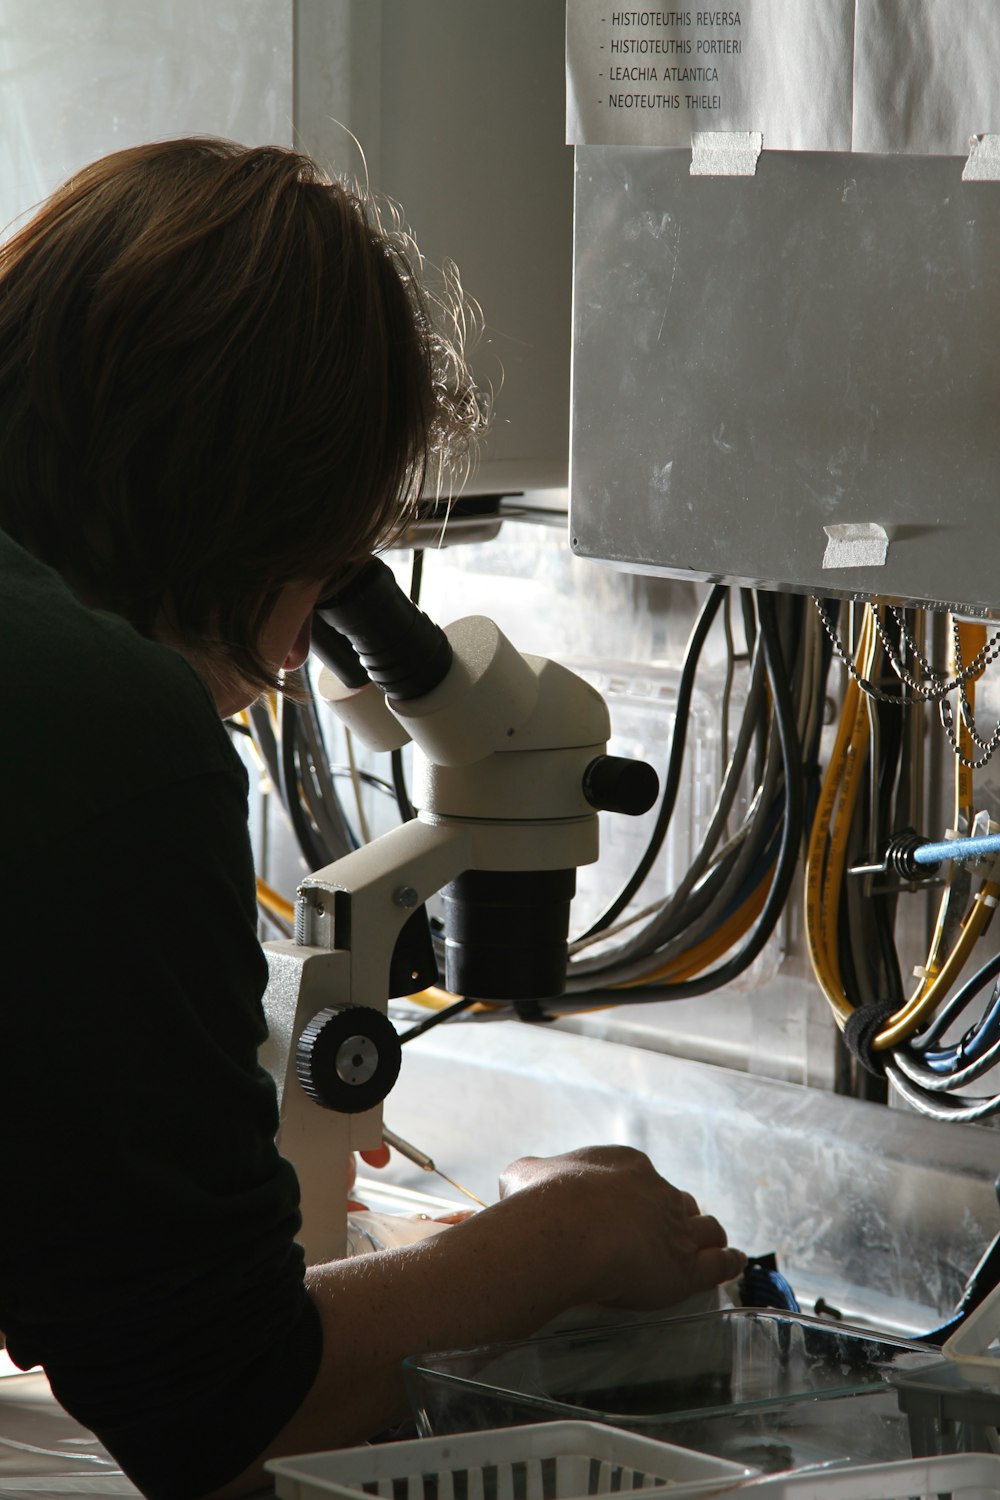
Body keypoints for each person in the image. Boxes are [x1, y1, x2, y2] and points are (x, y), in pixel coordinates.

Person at [0, 137, 746, 1500]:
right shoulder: (96, 723)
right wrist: (559, 1241)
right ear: (248, 507)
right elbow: (221, 1403)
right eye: (326, 566)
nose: (291, 661)